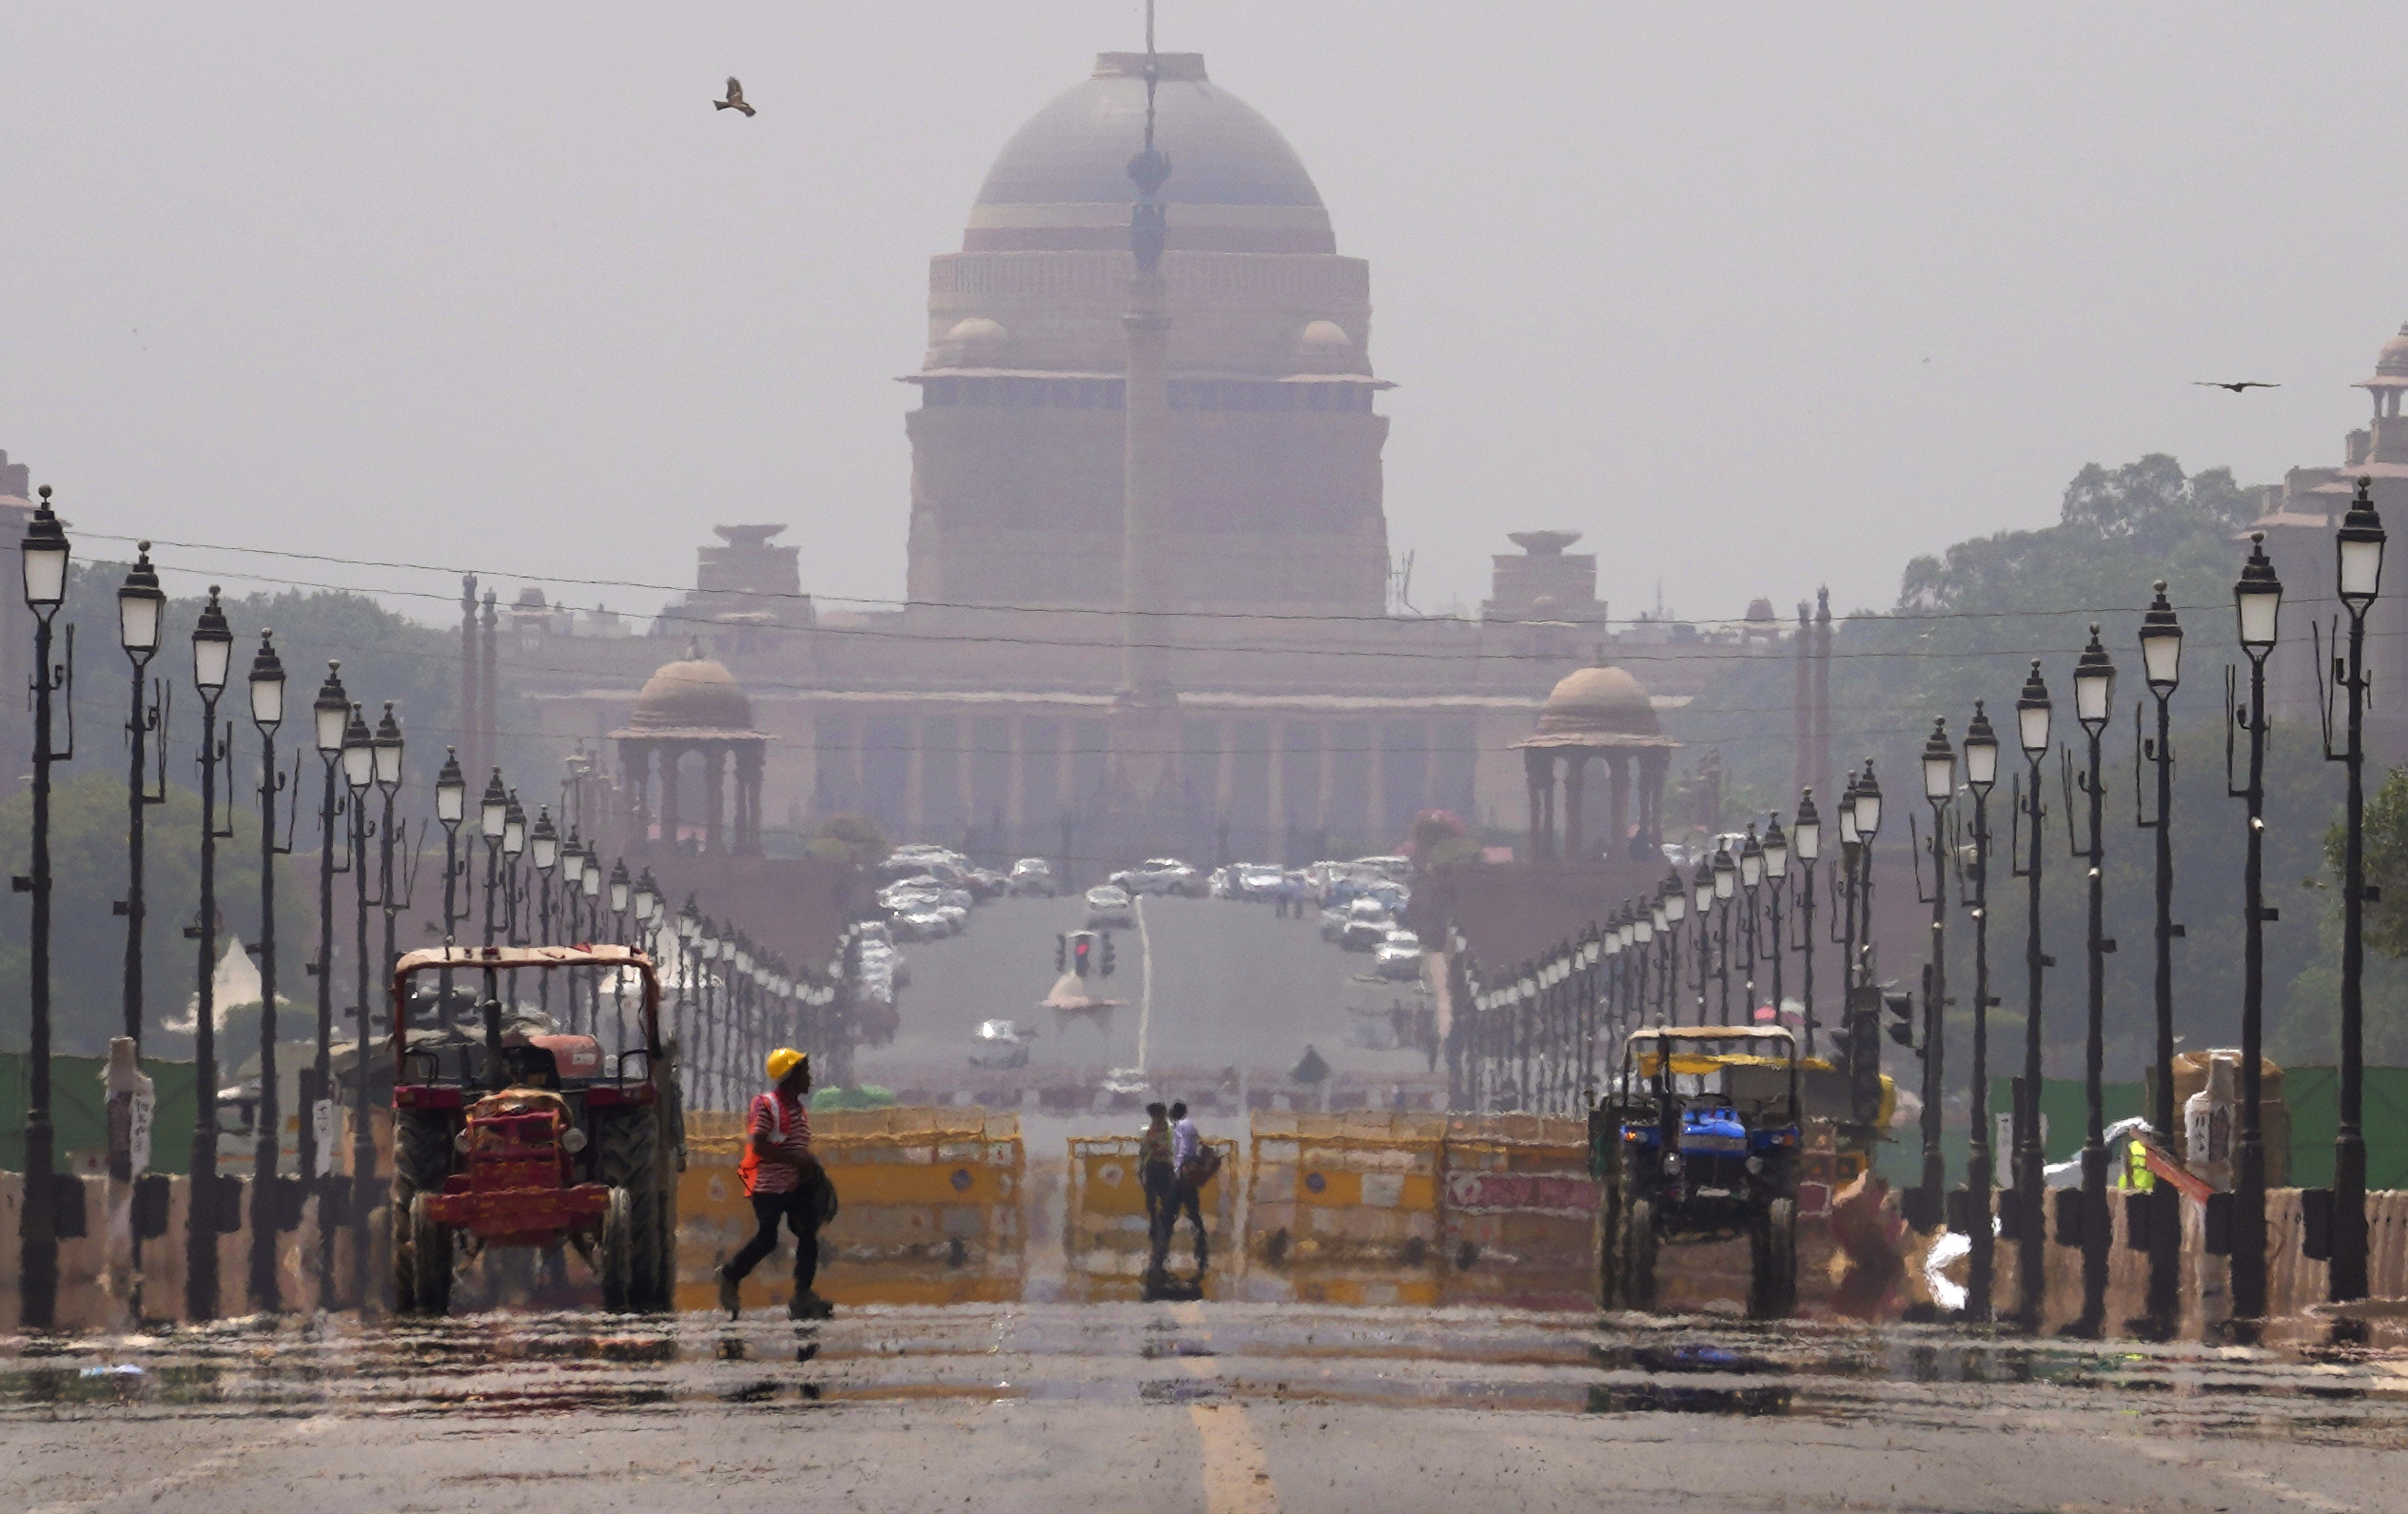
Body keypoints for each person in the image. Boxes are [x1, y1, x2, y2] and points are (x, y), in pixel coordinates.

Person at [717, 1048, 834, 1321]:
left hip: (796, 1185)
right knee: (767, 1238)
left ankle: (803, 1295)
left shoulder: (799, 1110)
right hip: (769, 1187)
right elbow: (758, 1146)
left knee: (807, 1234)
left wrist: (807, 1169)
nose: (810, 1078)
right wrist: (794, 1160)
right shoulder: (767, 1105)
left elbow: (798, 1148)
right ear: (791, 1075)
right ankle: (730, 1275)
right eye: (804, 1072)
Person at [1155, 1099, 1208, 1276]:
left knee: (1167, 1214)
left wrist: (1179, 1171)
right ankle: (1202, 1252)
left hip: (1183, 1176)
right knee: (1193, 1214)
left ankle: (1160, 1257)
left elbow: (1184, 1151)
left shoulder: (1182, 1127)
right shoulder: (1188, 1126)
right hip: (1187, 1176)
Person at [1138, 1100, 1174, 1262]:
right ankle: (1154, 1224)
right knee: (1151, 1199)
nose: (1160, 1116)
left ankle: (1165, 1227)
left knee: (1167, 1199)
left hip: (1167, 1168)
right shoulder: (1146, 1132)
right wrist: (1140, 1169)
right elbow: (1143, 1152)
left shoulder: (1171, 1131)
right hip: (1152, 1167)